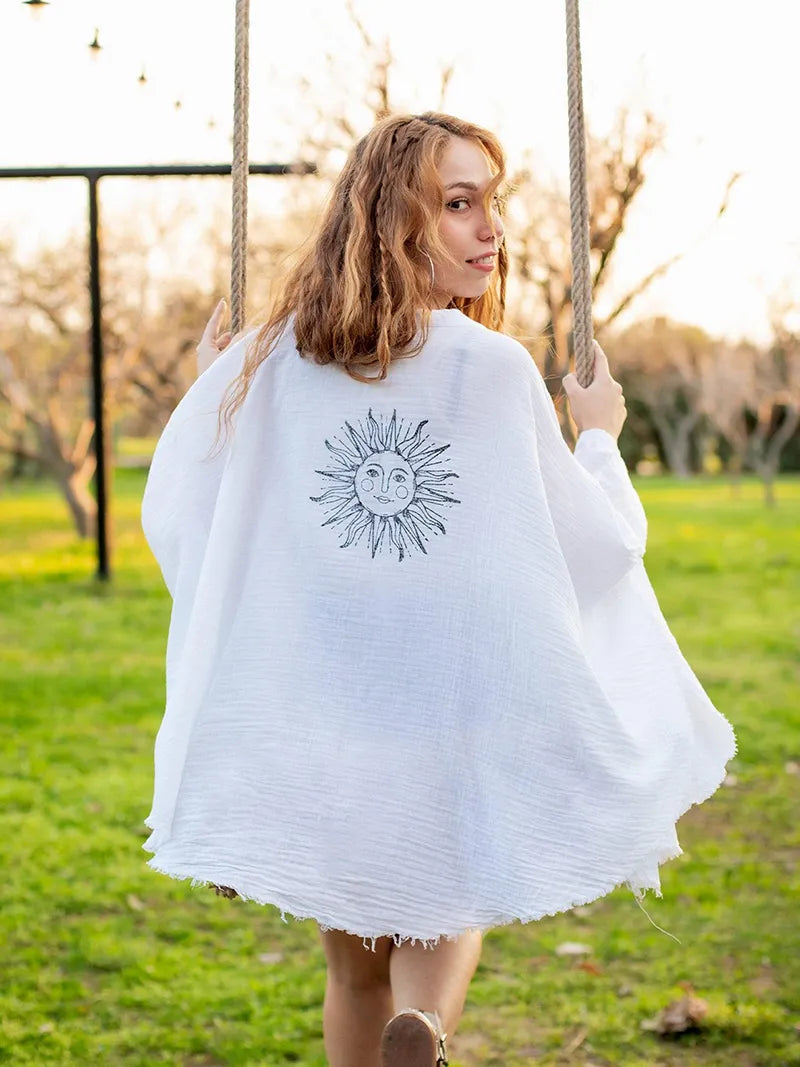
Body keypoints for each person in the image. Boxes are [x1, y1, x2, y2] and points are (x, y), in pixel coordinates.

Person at [141, 112, 736, 1067]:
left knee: (349, 964)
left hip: (328, 706)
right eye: (458, 205)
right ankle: (429, 1030)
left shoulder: (279, 357)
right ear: (392, 223)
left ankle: (388, 1036)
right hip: (453, 704)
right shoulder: (494, 370)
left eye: (493, 204)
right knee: (452, 887)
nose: (489, 229)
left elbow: (188, 506)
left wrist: (217, 391)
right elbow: (590, 547)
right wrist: (597, 436)